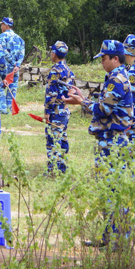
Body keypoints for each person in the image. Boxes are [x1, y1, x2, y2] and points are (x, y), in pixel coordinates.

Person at [63, 40, 133, 247]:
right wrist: (83, 98)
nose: (101, 62)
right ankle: (109, 237)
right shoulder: (113, 77)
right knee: (106, 189)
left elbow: (104, 110)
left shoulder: (117, 79)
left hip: (113, 141)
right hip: (108, 139)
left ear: (115, 58)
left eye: (104, 58)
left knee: (112, 190)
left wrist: (81, 102)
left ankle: (116, 240)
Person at [44, 41, 75, 174]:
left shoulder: (55, 71)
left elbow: (51, 94)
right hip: (65, 109)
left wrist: (47, 111)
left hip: (56, 110)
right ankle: (62, 167)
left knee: (53, 140)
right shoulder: (69, 70)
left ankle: (53, 169)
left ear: (54, 54)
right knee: (62, 138)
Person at [0, 17, 25, 114]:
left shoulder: (2, 36)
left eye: (1, 25)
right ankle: (10, 110)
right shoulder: (20, 38)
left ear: (5, 25)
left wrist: (13, 62)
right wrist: (17, 65)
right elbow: (22, 54)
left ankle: (2, 109)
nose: (1, 27)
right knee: (12, 89)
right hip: (15, 69)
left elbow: (2, 51)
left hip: (5, 67)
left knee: (1, 86)